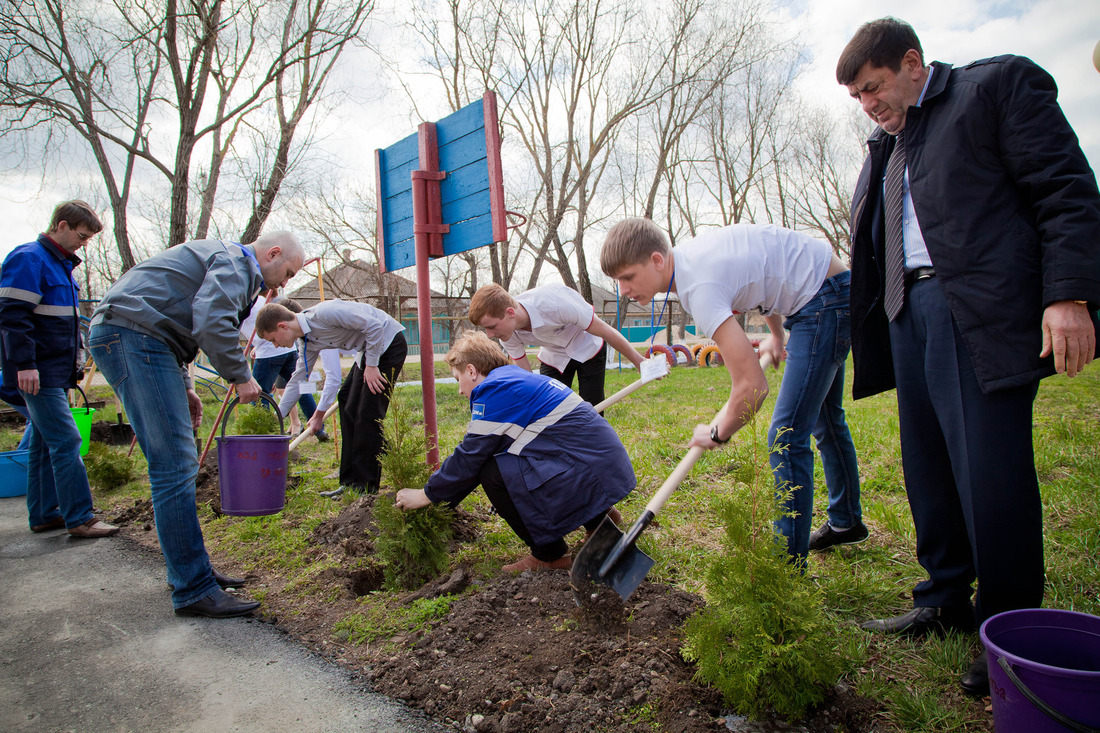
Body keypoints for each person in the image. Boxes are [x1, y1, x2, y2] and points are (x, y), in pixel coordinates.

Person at [836, 17, 1100, 695]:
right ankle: (944, 595)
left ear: (912, 62)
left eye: (874, 87)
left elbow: (1065, 190)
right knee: (928, 465)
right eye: (858, 97)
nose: (869, 104)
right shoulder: (887, 143)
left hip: (975, 307)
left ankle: (1007, 627)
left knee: (989, 472)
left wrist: (1067, 293)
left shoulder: (993, 89)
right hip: (909, 311)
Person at [600, 220, 864, 566]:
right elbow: (761, 281)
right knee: (825, 420)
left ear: (657, 260)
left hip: (823, 299)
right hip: (824, 289)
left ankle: (786, 567)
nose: (623, 290)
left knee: (786, 436)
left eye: (628, 277)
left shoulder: (700, 287)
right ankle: (846, 522)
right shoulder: (692, 260)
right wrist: (778, 336)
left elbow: (753, 388)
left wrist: (716, 433)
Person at [87, 231, 305, 618]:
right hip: (134, 337)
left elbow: (179, 322)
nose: (285, 283)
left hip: (146, 341)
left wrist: (185, 384)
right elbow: (210, 321)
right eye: (287, 272)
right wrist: (241, 375)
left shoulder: (222, 258)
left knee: (177, 463)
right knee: (174, 466)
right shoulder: (238, 264)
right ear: (272, 254)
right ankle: (192, 588)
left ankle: (195, 571)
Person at [395, 331, 633, 572]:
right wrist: (441, 496)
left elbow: (471, 456)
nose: (459, 390)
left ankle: (550, 556)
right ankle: (601, 520)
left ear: (471, 371)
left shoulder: (495, 390)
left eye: (458, 379)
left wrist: (427, 495)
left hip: (591, 467)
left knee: (492, 472)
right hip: (602, 465)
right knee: (505, 460)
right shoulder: (511, 377)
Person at [0, 200, 119, 538]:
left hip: (53, 371)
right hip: (35, 372)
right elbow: (12, 316)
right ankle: (81, 518)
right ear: (62, 225)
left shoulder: (59, 266)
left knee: (42, 440)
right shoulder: (28, 259)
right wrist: (24, 364)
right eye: (81, 236)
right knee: (67, 440)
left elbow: (60, 325)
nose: (84, 244)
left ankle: (43, 513)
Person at [255, 299, 407, 496]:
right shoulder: (306, 342)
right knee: (346, 402)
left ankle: (366, 488)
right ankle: (350, 483)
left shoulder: (325, 312)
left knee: (367, 415)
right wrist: (277, 416)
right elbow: (298, 379)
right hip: (368, 350)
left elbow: (374, 325)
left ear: (282, 326)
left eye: (273, 339)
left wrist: (372, 366)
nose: (275, 346)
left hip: (388, 343)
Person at [467, 283, 643, 407]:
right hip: (553, 355)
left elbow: (605, 331)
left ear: (510, 313)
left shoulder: (556, 303)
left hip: (587, 344)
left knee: (593, 406)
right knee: (547, 403)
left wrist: (639, 362)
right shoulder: (506, 333)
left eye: (491, 327)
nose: (490, 334)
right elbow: (527, 377)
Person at [240, 297, 329, 442]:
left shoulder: (242, 302)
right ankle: (319, 429)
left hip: (268, 354)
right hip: (288, 349)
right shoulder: (262, 299)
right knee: (301, 387)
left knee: (258, 394)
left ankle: (265, 433)